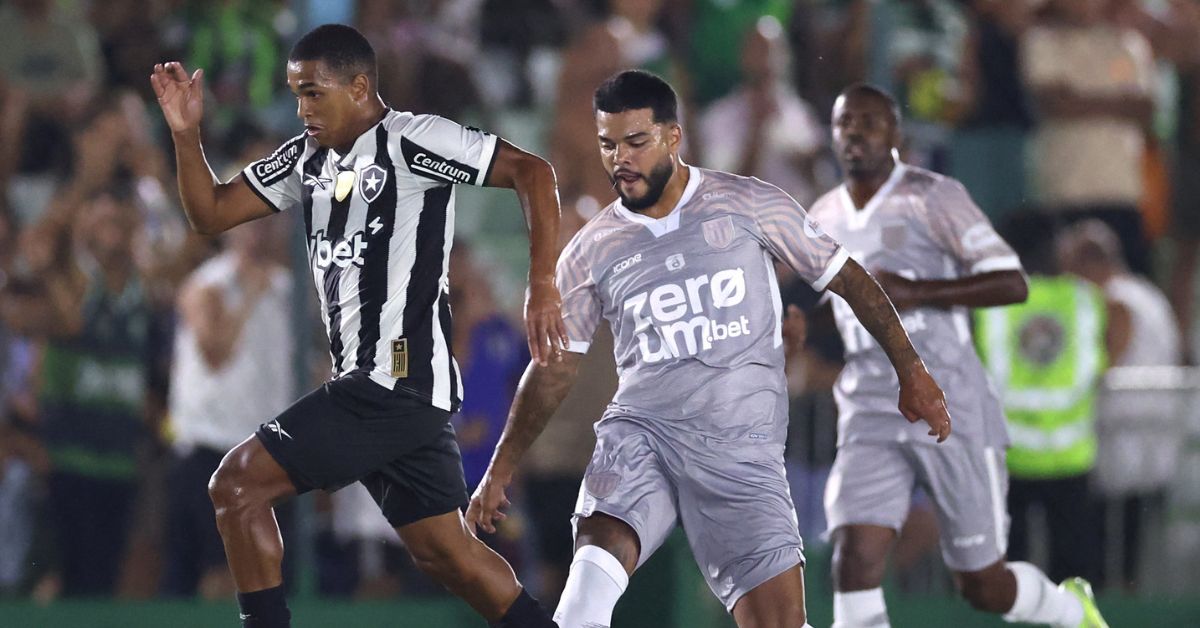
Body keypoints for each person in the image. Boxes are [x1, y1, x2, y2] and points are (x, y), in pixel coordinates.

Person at [468, 69, 952, 628]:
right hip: (642, 440)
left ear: (673, 136)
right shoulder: (589, 251)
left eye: (636, 141)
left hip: (740, 454)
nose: (620, 159)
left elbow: (849, 280)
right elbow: (553, 368)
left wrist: (911, 371)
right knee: (582, 607)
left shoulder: (748, 203)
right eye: (608, 145)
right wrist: (500, 468)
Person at [149, 23, 565, 628]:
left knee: (236, 486)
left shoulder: (414, 140)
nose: (302, 110)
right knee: (447, 556)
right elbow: (210, 214)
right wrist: (186, 136)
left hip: (392, 379)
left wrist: (543, 282)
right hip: (390, 390)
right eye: (297, 94)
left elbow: (534, 172)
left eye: (314, 93)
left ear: (360, 88)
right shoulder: (306, 158)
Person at [807, 83, 1105, 628]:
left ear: (896, 134)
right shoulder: (822, 214)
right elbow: (843, 308)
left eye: (870, 122)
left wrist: (918, 292)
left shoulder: (934, 196)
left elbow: (1012, 282)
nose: (856, 133)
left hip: (945, 398)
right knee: (854, 556)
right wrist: (801, 326)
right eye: (845, 122)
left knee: (983, 584)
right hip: (869, 402)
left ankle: (1069, 610)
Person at [161, 219, 295, 599]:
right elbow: (215, 352)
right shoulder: (206, 284)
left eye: (267, 221)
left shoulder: (287, 290)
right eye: (249, 222)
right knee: (219, 571)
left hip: (268, 451)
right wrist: (249, 294)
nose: (258, 231)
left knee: (266, 572)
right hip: (211, 449)